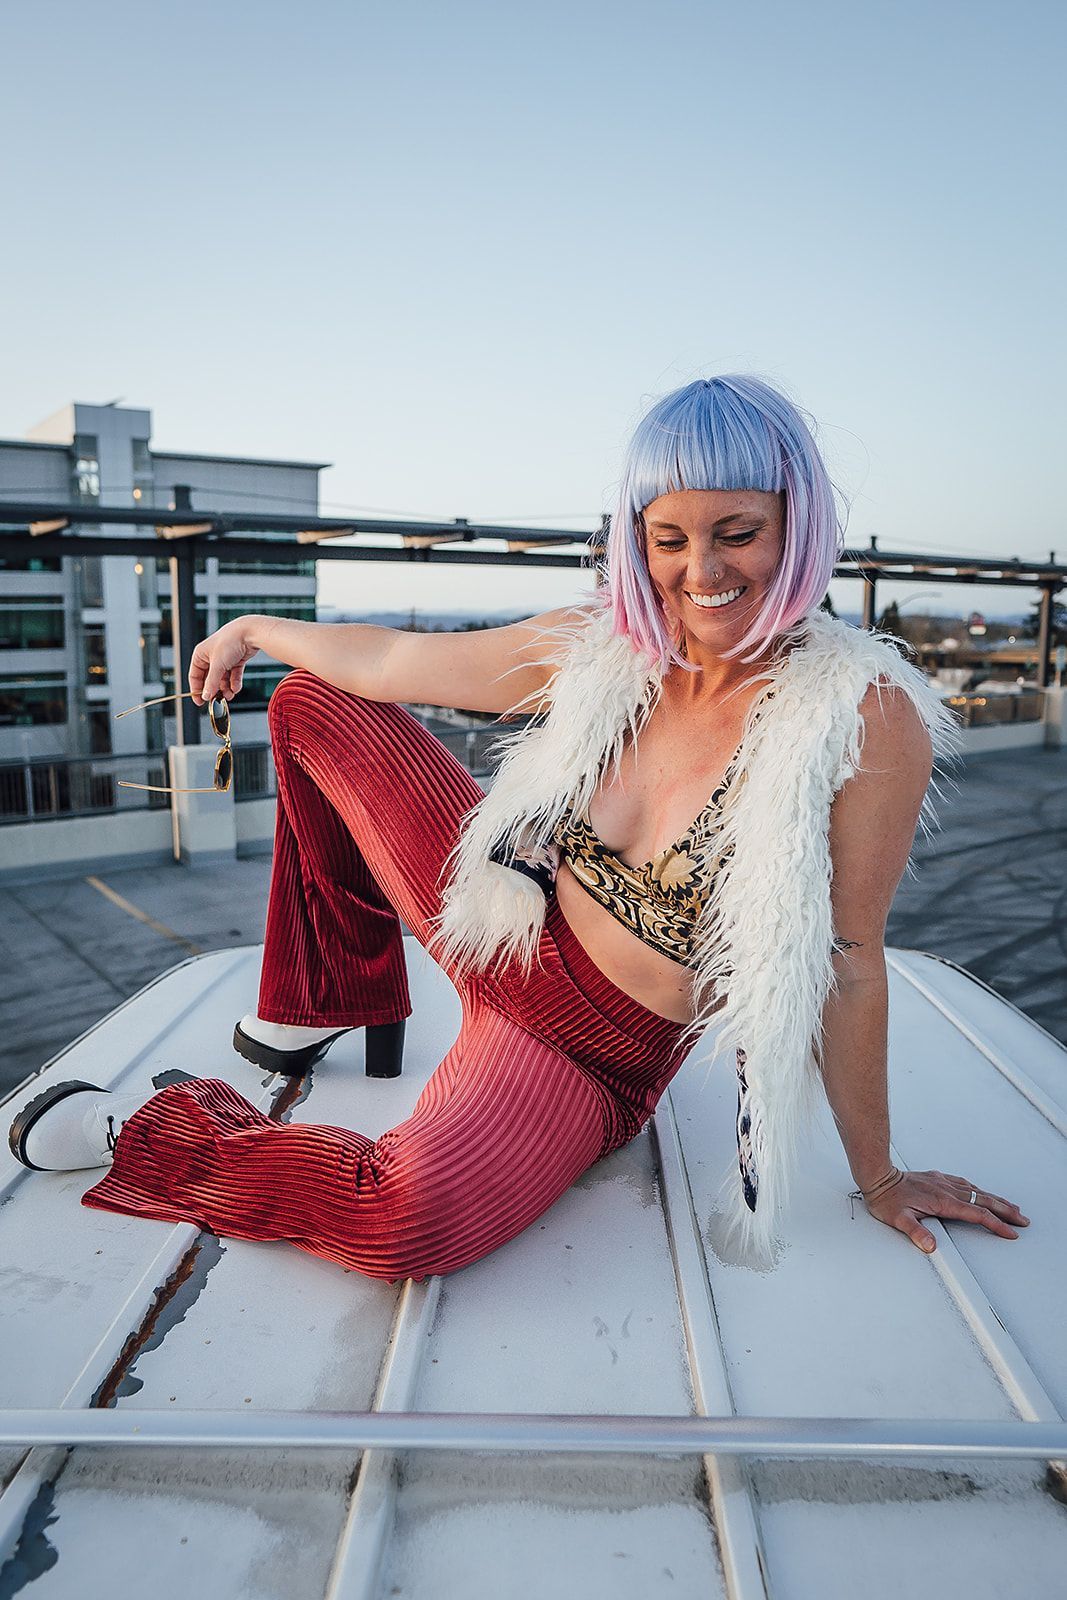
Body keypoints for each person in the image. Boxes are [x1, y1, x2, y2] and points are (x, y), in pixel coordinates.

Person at [9, 375, 1029, 1274]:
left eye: (736, 532)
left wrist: (880, 1173)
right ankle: (323, 995)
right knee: (309, 701)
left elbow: (847, 961)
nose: (700, 573)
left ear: (794, 524)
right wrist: (251, 630)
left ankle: (142, 1124)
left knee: (402, 1222)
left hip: (581, 1047)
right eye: (667, 538)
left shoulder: (859, 713)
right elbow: (391, 665)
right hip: (495, 916)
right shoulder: (607, 644)